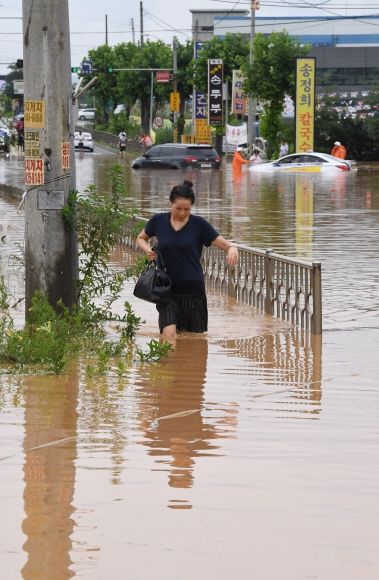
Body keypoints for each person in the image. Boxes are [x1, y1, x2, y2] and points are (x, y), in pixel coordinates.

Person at [136, 180, 239, 340]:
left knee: (195, 340)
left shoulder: (199, 224)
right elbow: (141, 238)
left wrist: (233, 248)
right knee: (168, 335)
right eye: (178, 208)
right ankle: (168, 366)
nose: (182, 213)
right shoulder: (158, 221)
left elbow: (225, 244)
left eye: (187, 209)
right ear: (170, 203)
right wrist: (147, 250)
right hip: (166, 290)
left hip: (193, 290)